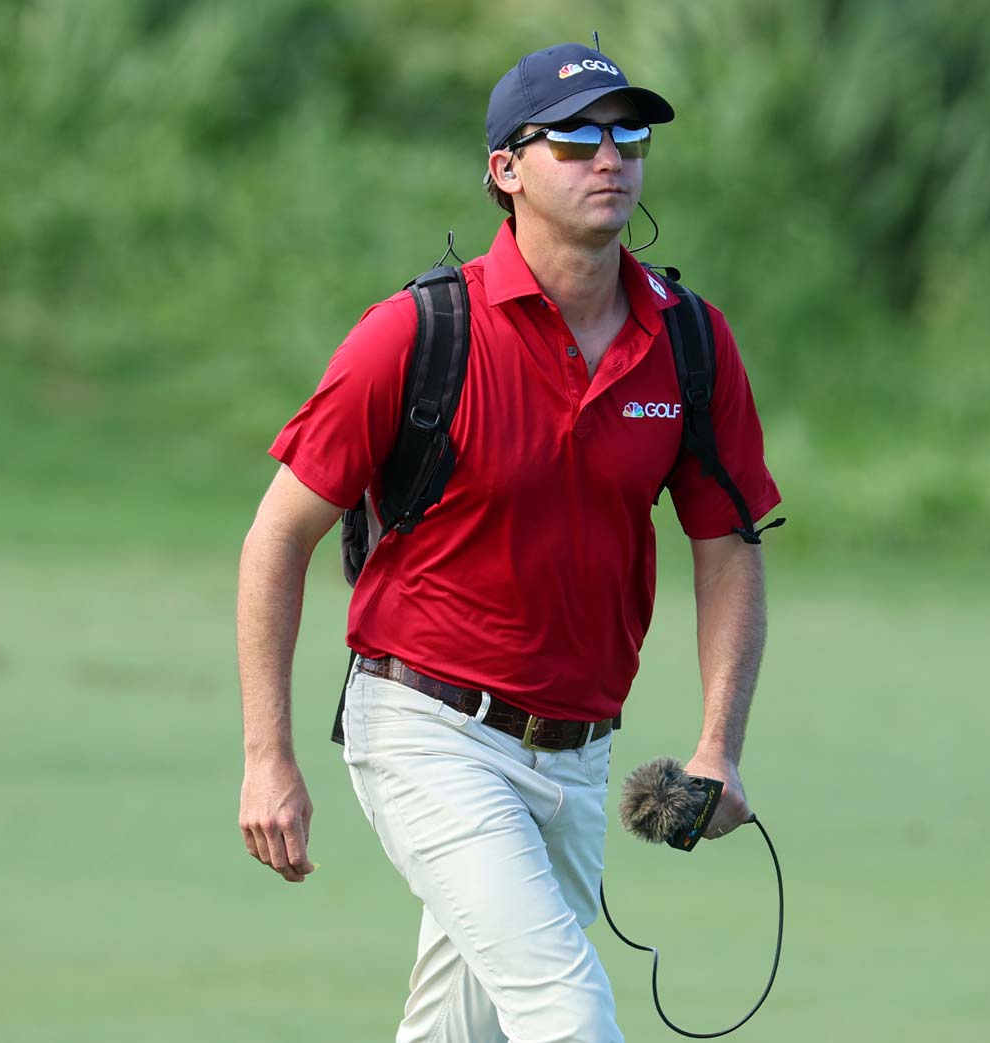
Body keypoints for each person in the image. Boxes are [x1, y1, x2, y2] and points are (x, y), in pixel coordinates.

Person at [235, 42, 781, 1043]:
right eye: (575, 137)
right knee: (566, 1011)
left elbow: (726, 544)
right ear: (505, 169)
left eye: (629, 134)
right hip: (424, 727)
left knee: (459, 1031)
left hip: (577, 751)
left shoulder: (689, 340)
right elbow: (277, 536)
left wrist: (718, 746)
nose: (608, 156)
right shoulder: (414, 334)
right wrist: (266, 753)